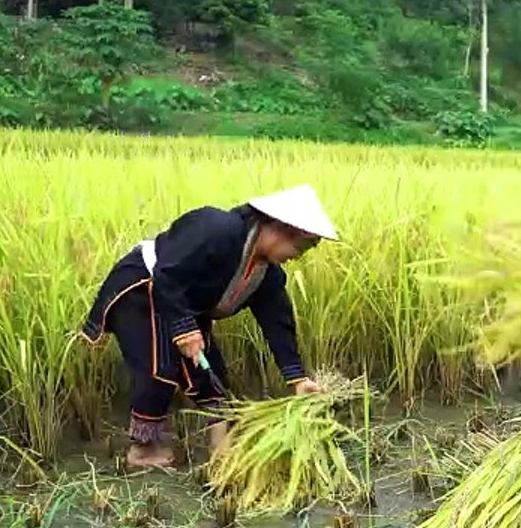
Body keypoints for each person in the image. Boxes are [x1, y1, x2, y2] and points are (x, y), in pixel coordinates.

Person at [80, 184, 338, 469]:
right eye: (300, 246)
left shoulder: (268, 275)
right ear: (280, 228)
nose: (298, 255)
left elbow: (278, 323)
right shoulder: (218, 228)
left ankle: (220, 445)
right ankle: (142, 449)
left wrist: (298, 379)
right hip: (146, 287)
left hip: (184, 302)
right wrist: (184, 329)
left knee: (211, 371)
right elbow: (168, 273)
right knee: (160, 365)